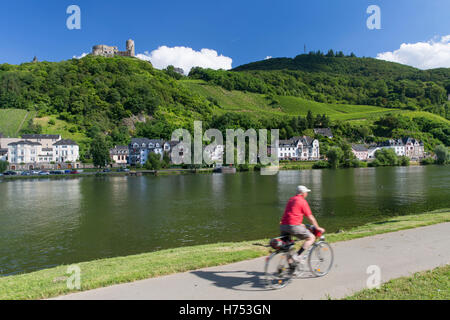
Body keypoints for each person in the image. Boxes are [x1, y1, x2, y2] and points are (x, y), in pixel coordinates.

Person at [280, 185, 325, 263]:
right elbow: (310, 217)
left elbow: (291, 213)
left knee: (289, 247)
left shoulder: (291, 199)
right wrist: (317, 227)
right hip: (293, 226)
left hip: (283, 226)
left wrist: (300, 224)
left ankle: (291, 268)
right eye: (306, 192)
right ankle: (297, 255)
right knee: (311, 238)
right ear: (302, 193)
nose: (307, 194)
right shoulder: (302, 201)